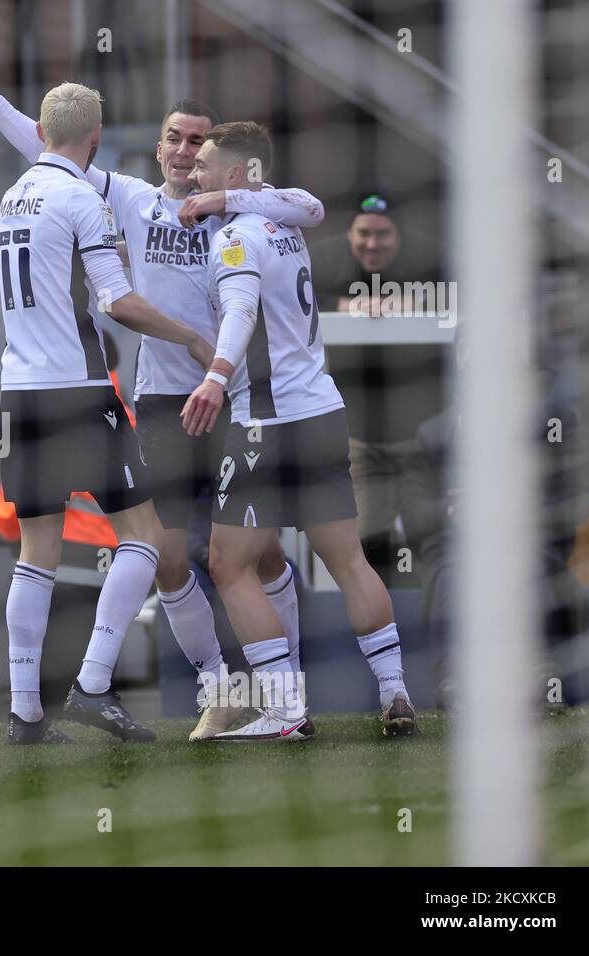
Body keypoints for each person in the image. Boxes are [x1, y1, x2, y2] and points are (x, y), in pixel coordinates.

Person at [0, 65, 320, 739]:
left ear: (216, 153)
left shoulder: (241, 203)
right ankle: (217, 690)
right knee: (163, 553)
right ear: (157, 145)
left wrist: (241, 203)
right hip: (163, 398)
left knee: (259, 555)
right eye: (175, 136)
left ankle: (289, 695)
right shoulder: (130, 197)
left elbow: (307, 207)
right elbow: (49, 144)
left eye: (199, 140)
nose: (186, 149)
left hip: (236, 395)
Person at [0, 80, 215, 744]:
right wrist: (192, 337)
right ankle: (91, 685)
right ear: (96, 135)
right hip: (79, 391)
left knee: (36, 552)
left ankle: (25, 712)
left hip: (19, 390)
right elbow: (117, 303)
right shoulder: (84, 198)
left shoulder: (11, 198)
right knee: (143, 537)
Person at [181, 122, 417, 739]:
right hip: (322, 412)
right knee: (346, 559)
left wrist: (215, 375)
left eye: (206, 165)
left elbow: (239, 311)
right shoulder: (284, 221)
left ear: (237, 173)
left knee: (226, 564)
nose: (195, 174)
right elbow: (308, 204)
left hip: (264, 421)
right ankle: (394, 693)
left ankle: (285, 711)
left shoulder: (235, 237)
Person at [400, 334, 589, 707]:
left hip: (529, 544)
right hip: (458, 549)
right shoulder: (433, 434)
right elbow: (413, 514)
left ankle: (542, 676)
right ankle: (452, 680)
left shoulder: (553, 423)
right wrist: (451, 509)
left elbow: (578, 503)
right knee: (454, 573)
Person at [308, 194, 446, 579]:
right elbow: (287, 299)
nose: (372, 244)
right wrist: (344, 305)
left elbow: (468, 293)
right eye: (363, 234)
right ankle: (380, 626)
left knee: (434, 535)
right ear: (349, 232)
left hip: (423, 434)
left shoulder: (430, 256)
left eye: (382, 235)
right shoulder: (323, 260)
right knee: (364, 543)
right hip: (359, 437)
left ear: (400, 236)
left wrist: (410, 302)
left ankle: (432, 615)